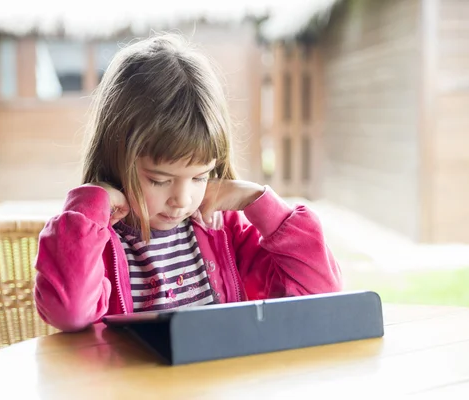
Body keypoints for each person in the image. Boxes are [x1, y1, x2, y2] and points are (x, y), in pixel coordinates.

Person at [34, 33, 342, 332]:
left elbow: (321, 293)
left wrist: (261, 203)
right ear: (116, 157)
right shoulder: (97, 242)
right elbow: (69, 312)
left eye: (199, 177)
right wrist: (90, 207)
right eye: (159, 180)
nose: (181, 199)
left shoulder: (224, 230)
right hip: (130, 384)